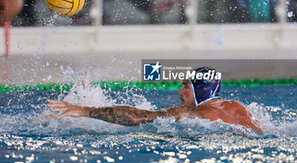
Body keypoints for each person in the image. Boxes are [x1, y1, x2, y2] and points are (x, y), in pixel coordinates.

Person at [47, 67, 263, 133]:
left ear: (201, 90)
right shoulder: (237, 107)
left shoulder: (189, 113)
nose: (180, 92)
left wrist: (84, 110)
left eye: (186, 87)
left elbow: (135, 117)